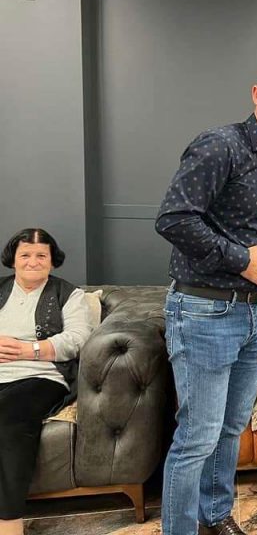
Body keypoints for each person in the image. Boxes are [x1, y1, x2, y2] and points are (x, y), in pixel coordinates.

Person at [155, 57, 257, 535]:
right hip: (204, 310)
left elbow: (253, 219)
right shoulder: (220, 145)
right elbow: (173, 218)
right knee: (198, 436)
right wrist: (240, 258)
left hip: (252, 315)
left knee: (230, 428)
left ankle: (215, 513)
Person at [0, 228, 91, 535]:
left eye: (41, 255)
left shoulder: (69, 294)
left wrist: (30, 349)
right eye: (25, 254)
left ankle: (9, 524)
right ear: (13, 259)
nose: (33, 262)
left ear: (52, 261)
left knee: (9, 417)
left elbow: (78, 339)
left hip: (41, 376)